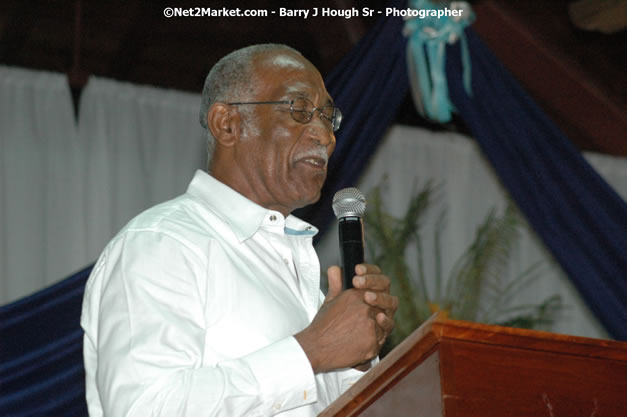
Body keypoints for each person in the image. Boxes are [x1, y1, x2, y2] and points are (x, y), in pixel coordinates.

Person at [81, 43, 398, 417]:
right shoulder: (162, 243)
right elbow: (143, 407)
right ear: (227, 123)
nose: (325, 135)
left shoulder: (299, 274)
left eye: (328, 116)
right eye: (299, 109)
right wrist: (311, 350)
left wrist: (354, 360)